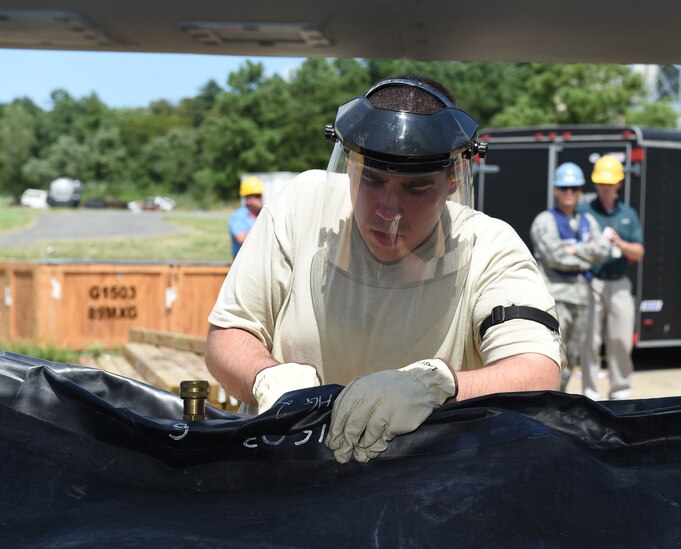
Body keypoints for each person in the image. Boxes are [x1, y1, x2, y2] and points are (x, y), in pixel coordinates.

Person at [205, 75, 565, 464]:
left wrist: (436, 388)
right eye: (372, 180)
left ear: (452, 180)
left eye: (416, 188)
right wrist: (266, 377)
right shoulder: (301, 207)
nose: (387, 210)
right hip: (292, 468)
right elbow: (228, 334)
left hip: (422, 482)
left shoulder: (489, 245)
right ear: (349, 163)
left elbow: (538, 373)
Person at [530, 162, 610, 391]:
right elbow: (555, 257)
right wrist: (586, 253)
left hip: (582, 297)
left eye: (574, 188)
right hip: (555, 297)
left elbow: (604, 250)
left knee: (572, 355)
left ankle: (559, 397)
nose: (569, 193)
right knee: (552, 354)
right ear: (556, 190)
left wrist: (574, 250)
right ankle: (546, 397)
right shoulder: (545, 220)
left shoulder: (587, 221)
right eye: (564, 188)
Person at [579, 155, 645, 400]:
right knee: (590, 340)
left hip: (618, 282)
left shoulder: (628, 214)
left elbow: (639, 252)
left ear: (619, 183)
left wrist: (619, 243)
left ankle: (621, 392)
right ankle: (590, 394)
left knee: (620, 338)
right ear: (596, 184)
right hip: (591, 281)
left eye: (610, 183)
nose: (605, 188)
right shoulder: (584, 211)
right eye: (601, 183)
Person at [228, 176, 265, 258]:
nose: (260, 199)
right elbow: (241, 239)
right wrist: (264, 230)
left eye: (260, 195)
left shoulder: (264, 214)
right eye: (257, 196)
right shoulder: (238, 216)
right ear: (248, 198)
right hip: (242, 264)